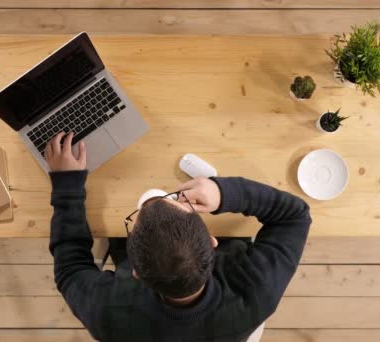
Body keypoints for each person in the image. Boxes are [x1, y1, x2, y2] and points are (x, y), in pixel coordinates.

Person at [46, 132, 312, 342]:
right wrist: (223, 194)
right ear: (211, 240)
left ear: (136, 271)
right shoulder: (256, 292)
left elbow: (69, 270)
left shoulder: (108, 315)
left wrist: (66, 185)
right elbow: (295, 216)